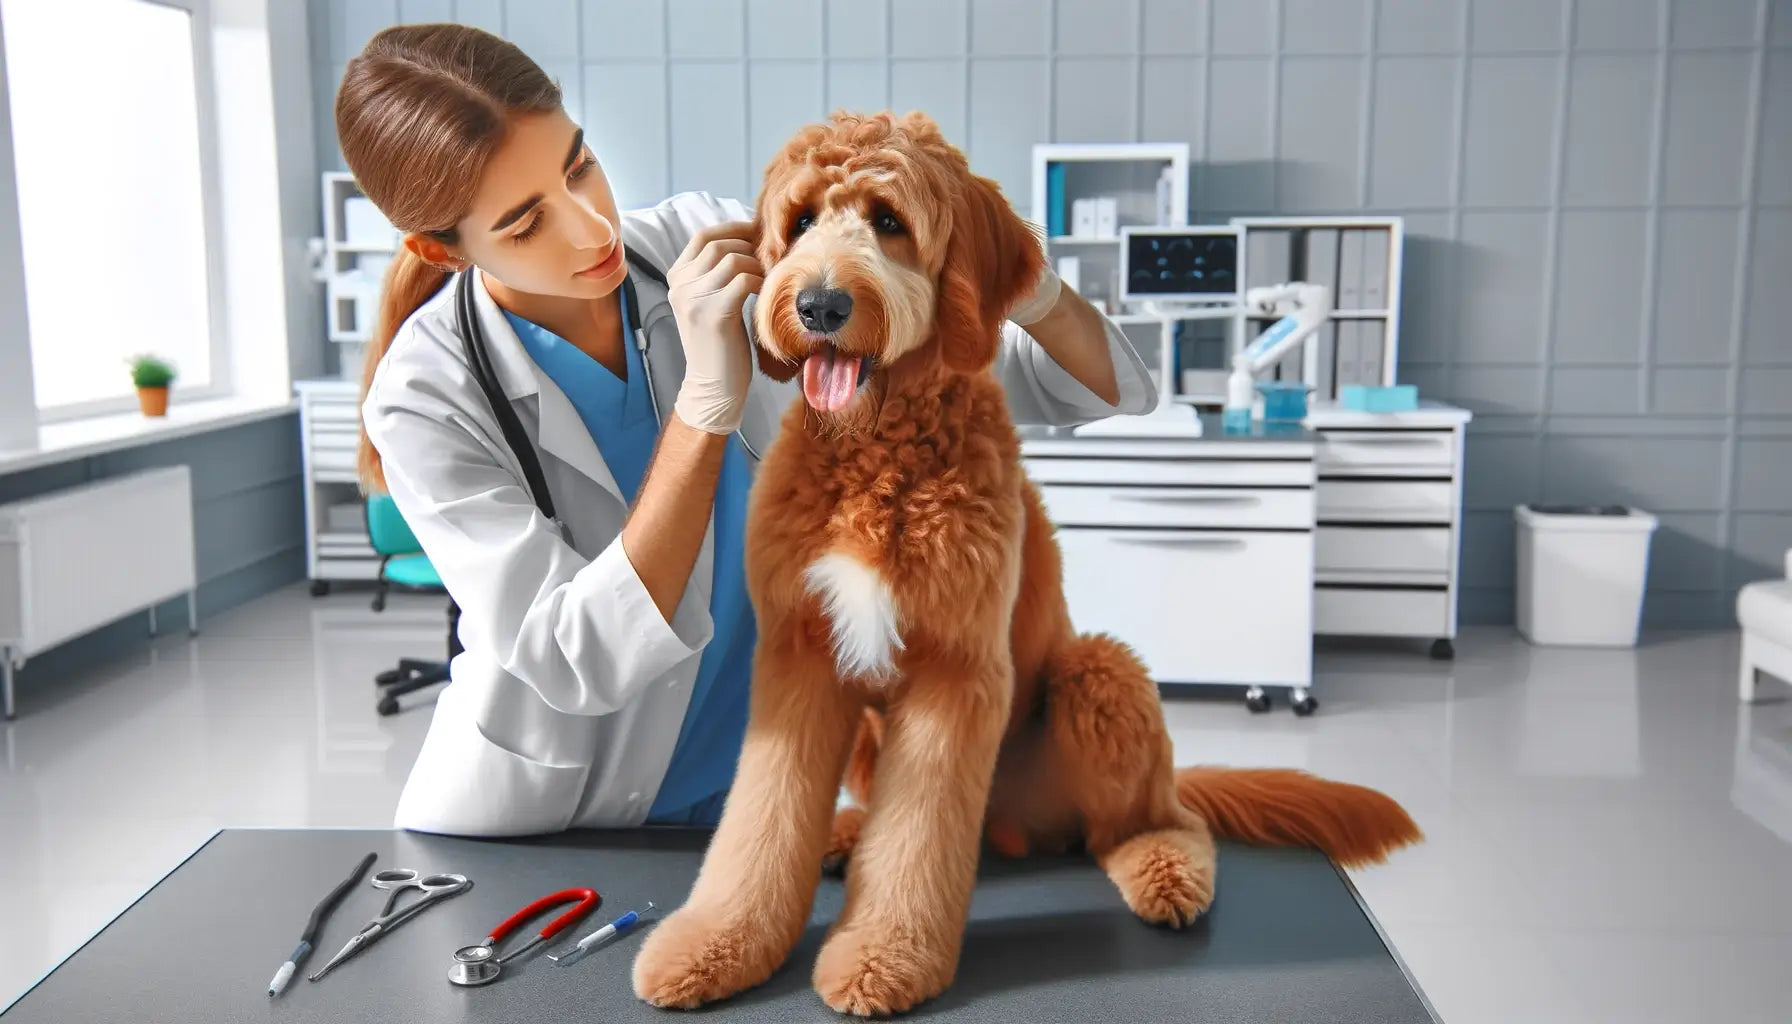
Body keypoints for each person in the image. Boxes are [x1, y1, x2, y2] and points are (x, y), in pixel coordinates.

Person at [340, 23, 1158, 837]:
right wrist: (705, 403)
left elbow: (1032, 380)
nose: (592, 228)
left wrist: (1031, 285)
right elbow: (575, 658)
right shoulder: (425, 393)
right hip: (556, 821)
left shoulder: (708, 244)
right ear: (441, 251)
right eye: (525, 223)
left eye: (579, 165)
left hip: (746, 797)